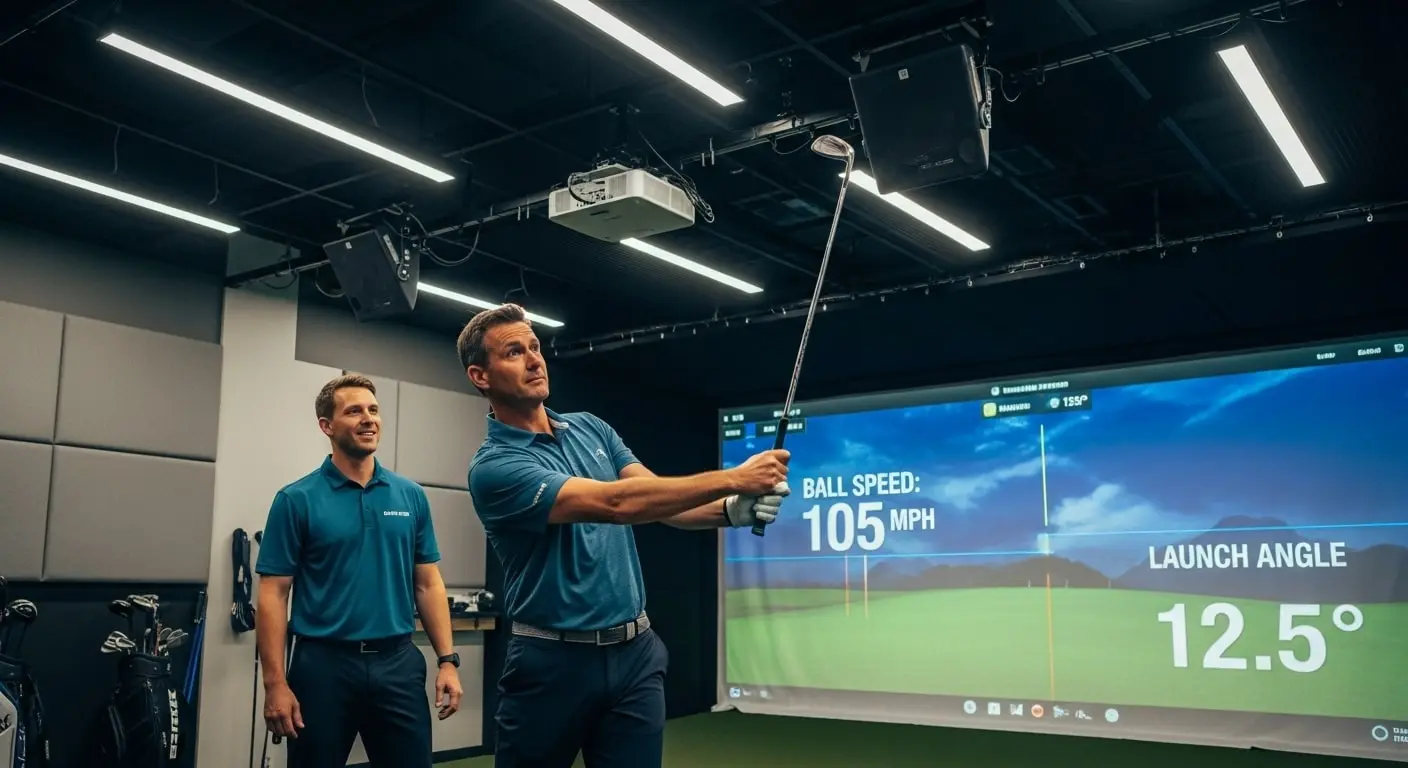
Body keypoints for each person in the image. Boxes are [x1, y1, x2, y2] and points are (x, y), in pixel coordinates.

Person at [459, 303, 790, 768]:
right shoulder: (495, 467)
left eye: (535, 347)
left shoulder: (590, 427)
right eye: (515, 352)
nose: (534, 360)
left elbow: (658, 498)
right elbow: (617, 504)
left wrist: (731, 511)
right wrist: (735, 478)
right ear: (481, 376)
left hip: (635, 654)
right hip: (551, 661)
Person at [254, 373, 464, 768]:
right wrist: (275, 683)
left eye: (373, 410)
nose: (368, 419)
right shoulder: (296, 499)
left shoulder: (410, 496)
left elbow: (428, 583)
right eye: (354, 411)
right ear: (327, 426)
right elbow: (273, 594)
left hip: (398, 663)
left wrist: (447, 661)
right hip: (324, 668)